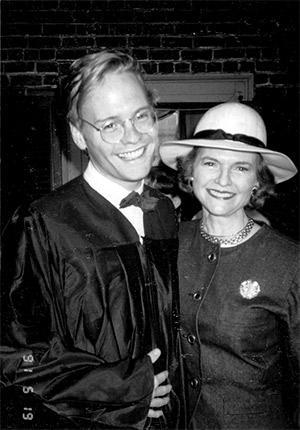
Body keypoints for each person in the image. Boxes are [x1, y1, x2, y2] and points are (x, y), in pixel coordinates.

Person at [1, 49, 181, 429]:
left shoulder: (165, 212)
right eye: (110, 125)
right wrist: (125, 389)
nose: (132, 136)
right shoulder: (43, 224)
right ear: (79, 135)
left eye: (140, 116)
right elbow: (17, 356)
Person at [159, 101, 299, 429]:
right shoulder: (166, 245)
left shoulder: (289, 262)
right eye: (210, 163)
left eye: (240, 167)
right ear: (189, 171)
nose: (223, 180)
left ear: (257, 181)